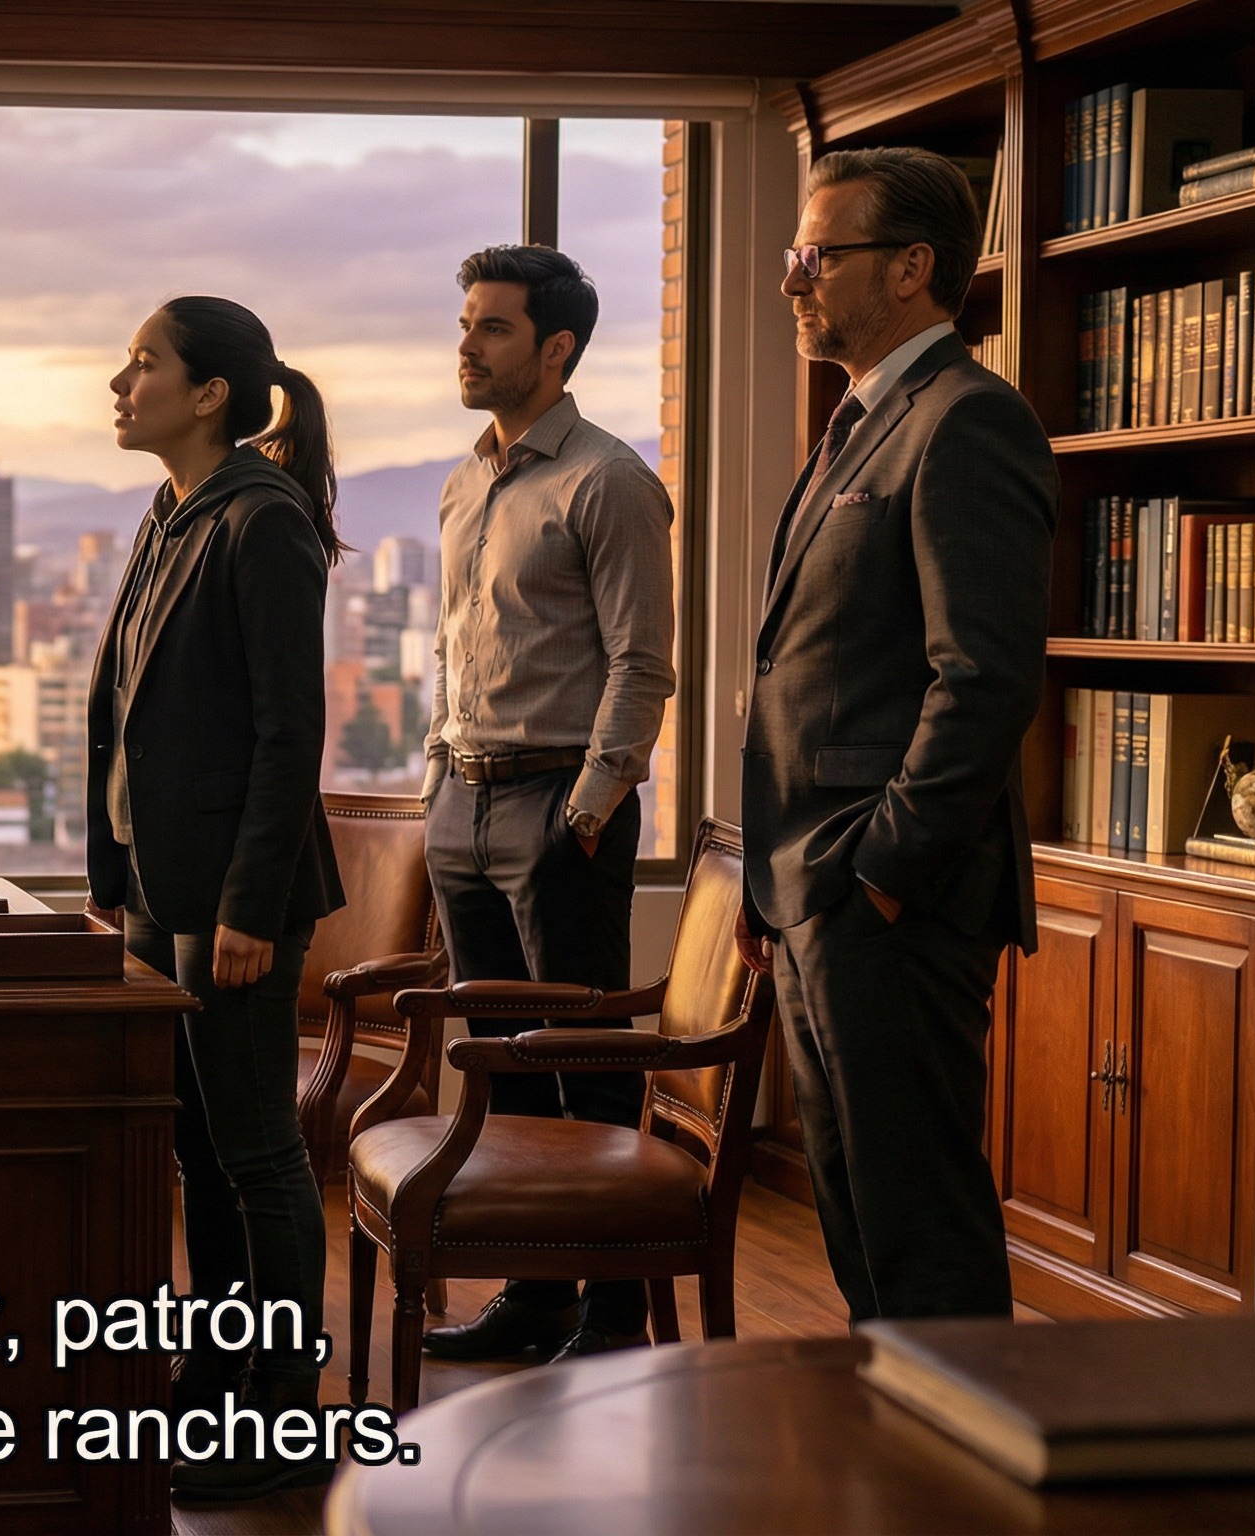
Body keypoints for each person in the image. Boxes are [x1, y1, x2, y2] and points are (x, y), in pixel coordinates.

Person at [739, 146, 1050, 1322]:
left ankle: (964, 1488)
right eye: (791, 256)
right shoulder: (862, 418)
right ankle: (893, 1461)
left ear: (912, 267)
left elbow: (978, 677)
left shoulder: (969, 421)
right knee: (856, 1212)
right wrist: (794, 887)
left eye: (817, 256)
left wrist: (879, 873)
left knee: (918, 1224)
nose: (792, 280)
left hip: (888, 897)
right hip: (817, 887)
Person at [87, 296, 347, 1504]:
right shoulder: (170, 513)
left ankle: (281, 1418)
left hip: (230, 898)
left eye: (143, 364)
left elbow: (290, 734)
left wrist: (248, 908)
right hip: (156, 883)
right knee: (197, 1149)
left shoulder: (261, 520)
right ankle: (218, 1378)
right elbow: (130, 710)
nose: (119, 381)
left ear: (208, 397)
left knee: (254, 1151)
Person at [418, 245, 677, 1366]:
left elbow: (641, 664)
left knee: (584, 1064)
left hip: (557, 809)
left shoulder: (607, 481)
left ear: (556, 348)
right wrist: (438, 770)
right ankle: (536, 1296)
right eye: (465, 322)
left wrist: (587, 806)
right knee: (502, 1065)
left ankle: (615, 1314)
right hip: (461, 805)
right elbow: (458, 645)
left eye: (493, 328)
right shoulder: (466, 477)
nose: (466, 345)